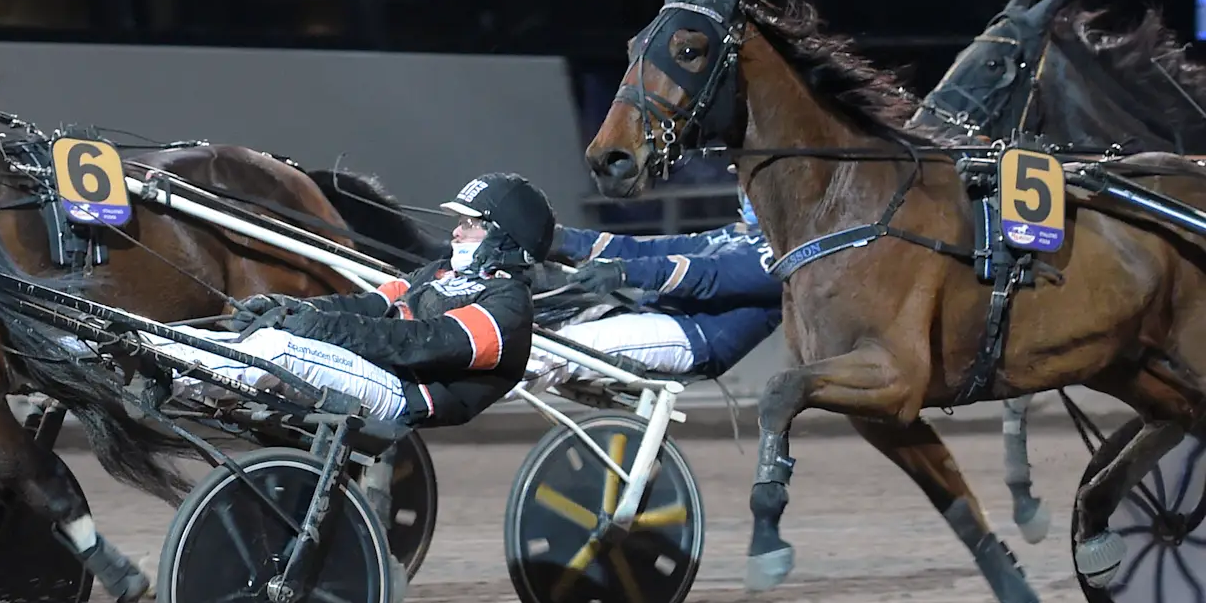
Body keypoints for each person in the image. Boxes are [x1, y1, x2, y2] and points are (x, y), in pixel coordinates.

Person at [172, 172, 545, 427]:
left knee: (279, 351)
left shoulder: (507, 307)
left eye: (470, 223)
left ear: (504, 236)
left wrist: (323, 328)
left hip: (406, 393)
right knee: (242, 339)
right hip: (374, 369)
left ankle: (173, 376)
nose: (456, 232)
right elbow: (365, 306)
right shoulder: (436, 272)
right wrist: (292, 307)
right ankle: (148, 346)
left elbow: (421, 343)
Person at [530, 190, 783, 388]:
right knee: (543, 330)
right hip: (655, 316)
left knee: (566, 347)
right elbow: (646, 250)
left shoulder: (781, 252)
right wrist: (562, 238)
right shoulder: (734, 234)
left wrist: (625, 272)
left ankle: (495, 384)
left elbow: (708, 275)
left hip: (694, 337)